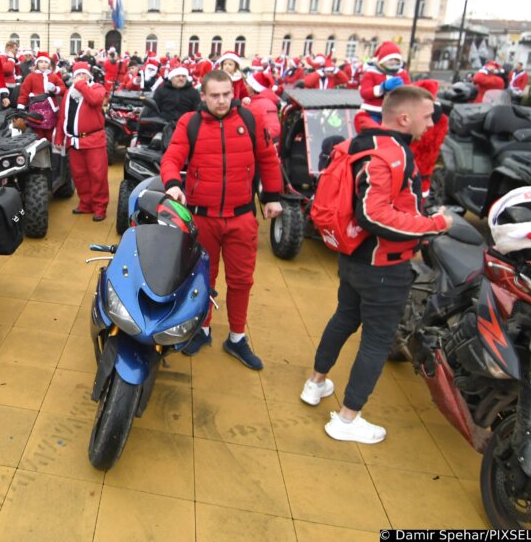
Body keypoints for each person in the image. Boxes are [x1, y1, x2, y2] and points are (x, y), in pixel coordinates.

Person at [302, 86, 453, 444]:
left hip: (353, 256)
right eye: (427, 115)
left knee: (343, 318)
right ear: (404, 118)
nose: (432, 123)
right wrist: (434, 224)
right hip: (383, 265)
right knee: (376, 340)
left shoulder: (360, 142)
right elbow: (372, 213)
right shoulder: (394, 154)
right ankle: (347, 418)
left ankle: (316, 384)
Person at [160, 70, 283, 370]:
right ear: (203, 96)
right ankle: (202, 329)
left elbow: (268, 159)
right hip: (203, 219)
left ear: (233, 91)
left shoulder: (251, 119)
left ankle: (237, 338)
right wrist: (173, 183)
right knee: (202, 278)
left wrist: (273, 196)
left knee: (241, 280)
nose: (222, 100)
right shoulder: (190, 123)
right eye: (215, 95)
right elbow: (172, 157)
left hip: (241, 217)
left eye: (227, 94)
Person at [54, 62, 109, 221]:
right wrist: (60, 137)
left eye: (84, 75)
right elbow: (63, 117)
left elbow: (94, 100)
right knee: (79, 176)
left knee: (98, 175)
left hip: (94, 140)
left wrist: (82, 85)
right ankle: (85, 203)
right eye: (78, 75)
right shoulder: (68, 93)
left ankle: (100, 207)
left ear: (89, 76)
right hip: (74, 141)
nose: (80, 78)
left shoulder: (97, 88)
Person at [356, 41, 410, 131]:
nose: (393, 62)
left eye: (396, 60)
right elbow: (364, 93)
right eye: (390, 59)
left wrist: (403, 90)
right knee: (372, 133)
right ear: (382, 60)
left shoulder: (402, 74)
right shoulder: (371, 73)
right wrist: (382, 88)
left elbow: (410, 92)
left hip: (395, 113)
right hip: (373, 111)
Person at [16, 53, 66, 141]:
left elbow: (63, 90)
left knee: (50, 133)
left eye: (46, 62)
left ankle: (50, 151)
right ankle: (40, 151)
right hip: (35, 109)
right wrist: (21, 106)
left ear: (49, 64)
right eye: (41, 62)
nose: (43, 64)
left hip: (51, 109)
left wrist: (55, 89)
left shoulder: (53, 76)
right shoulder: (30, 77)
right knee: (38, 133)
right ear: (37, 64)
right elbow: (24, 92)